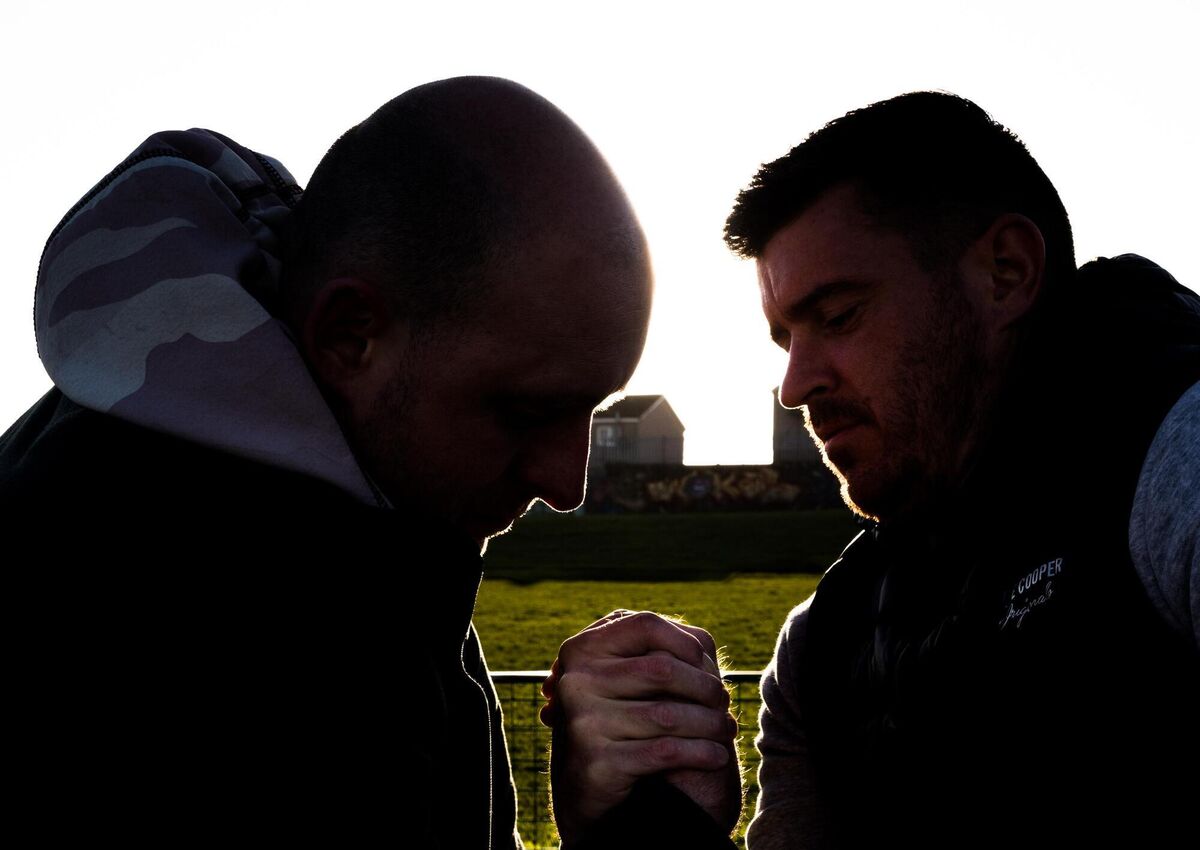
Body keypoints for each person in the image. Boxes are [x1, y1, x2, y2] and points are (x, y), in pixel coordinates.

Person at [1, 76, 735, 847]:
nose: (566, 482)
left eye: (592, 409)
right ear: (351, 335)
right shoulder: (259, 615)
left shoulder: (331, 512)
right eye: (524, 412)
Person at [547, 91, 1199, 848]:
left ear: (1007, 271)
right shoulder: (829, 640)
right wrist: (646, 827)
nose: (796, 385)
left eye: (839, 316)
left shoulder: (1169, 458)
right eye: (785, 338)